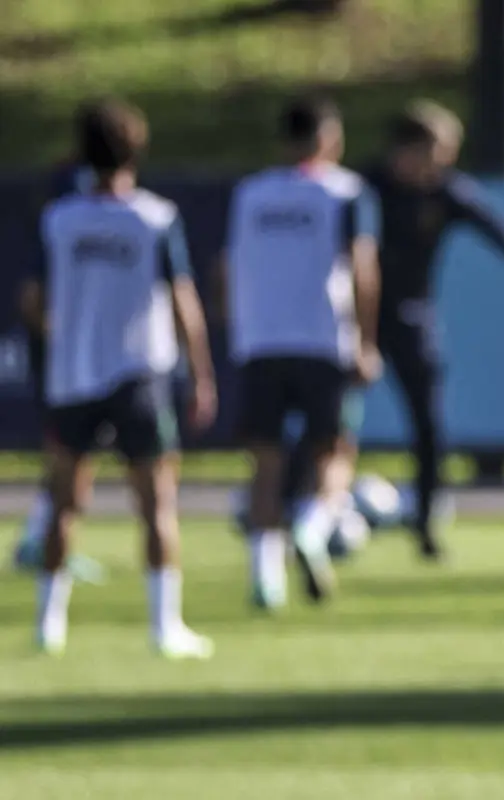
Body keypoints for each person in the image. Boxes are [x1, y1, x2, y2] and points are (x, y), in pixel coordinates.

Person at [19, 98, 217, 657]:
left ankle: (48, 624)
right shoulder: (153, 218)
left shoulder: (59, 219)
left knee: (63, 503)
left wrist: (67, 333)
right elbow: (183, 301)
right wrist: (201, 371)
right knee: (156, 504)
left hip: (72, 378)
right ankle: (164, 626)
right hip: (140, 376)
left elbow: (32, 300)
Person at [365, 101, 504, 559]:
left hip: (410, 317)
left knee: (429, 423)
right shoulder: (366, 188)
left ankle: (426, 520)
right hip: (354, 315)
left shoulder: (446, 193)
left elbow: (500, 231)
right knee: (330, 418)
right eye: (438, 151)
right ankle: (302, 511)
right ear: (408, 149)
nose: (445, 162)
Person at [225, 96, 382, 610]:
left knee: (265, 463)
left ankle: (264, 576)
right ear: (330, 139)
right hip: (322, 341)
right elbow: (362, 269)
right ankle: (313, 529)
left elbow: (228, 267)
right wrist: (365, 340)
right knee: (332, 453)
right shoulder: (346, 192)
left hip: (261, 342)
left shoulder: (250, 194)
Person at [10, 135, 108, 585]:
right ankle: (41, 541)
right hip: (66, 360)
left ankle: (42, 536)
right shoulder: (65, 218)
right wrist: (61, 341)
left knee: (75, 457)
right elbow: (32, 298)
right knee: (69, 457)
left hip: (80, 353)